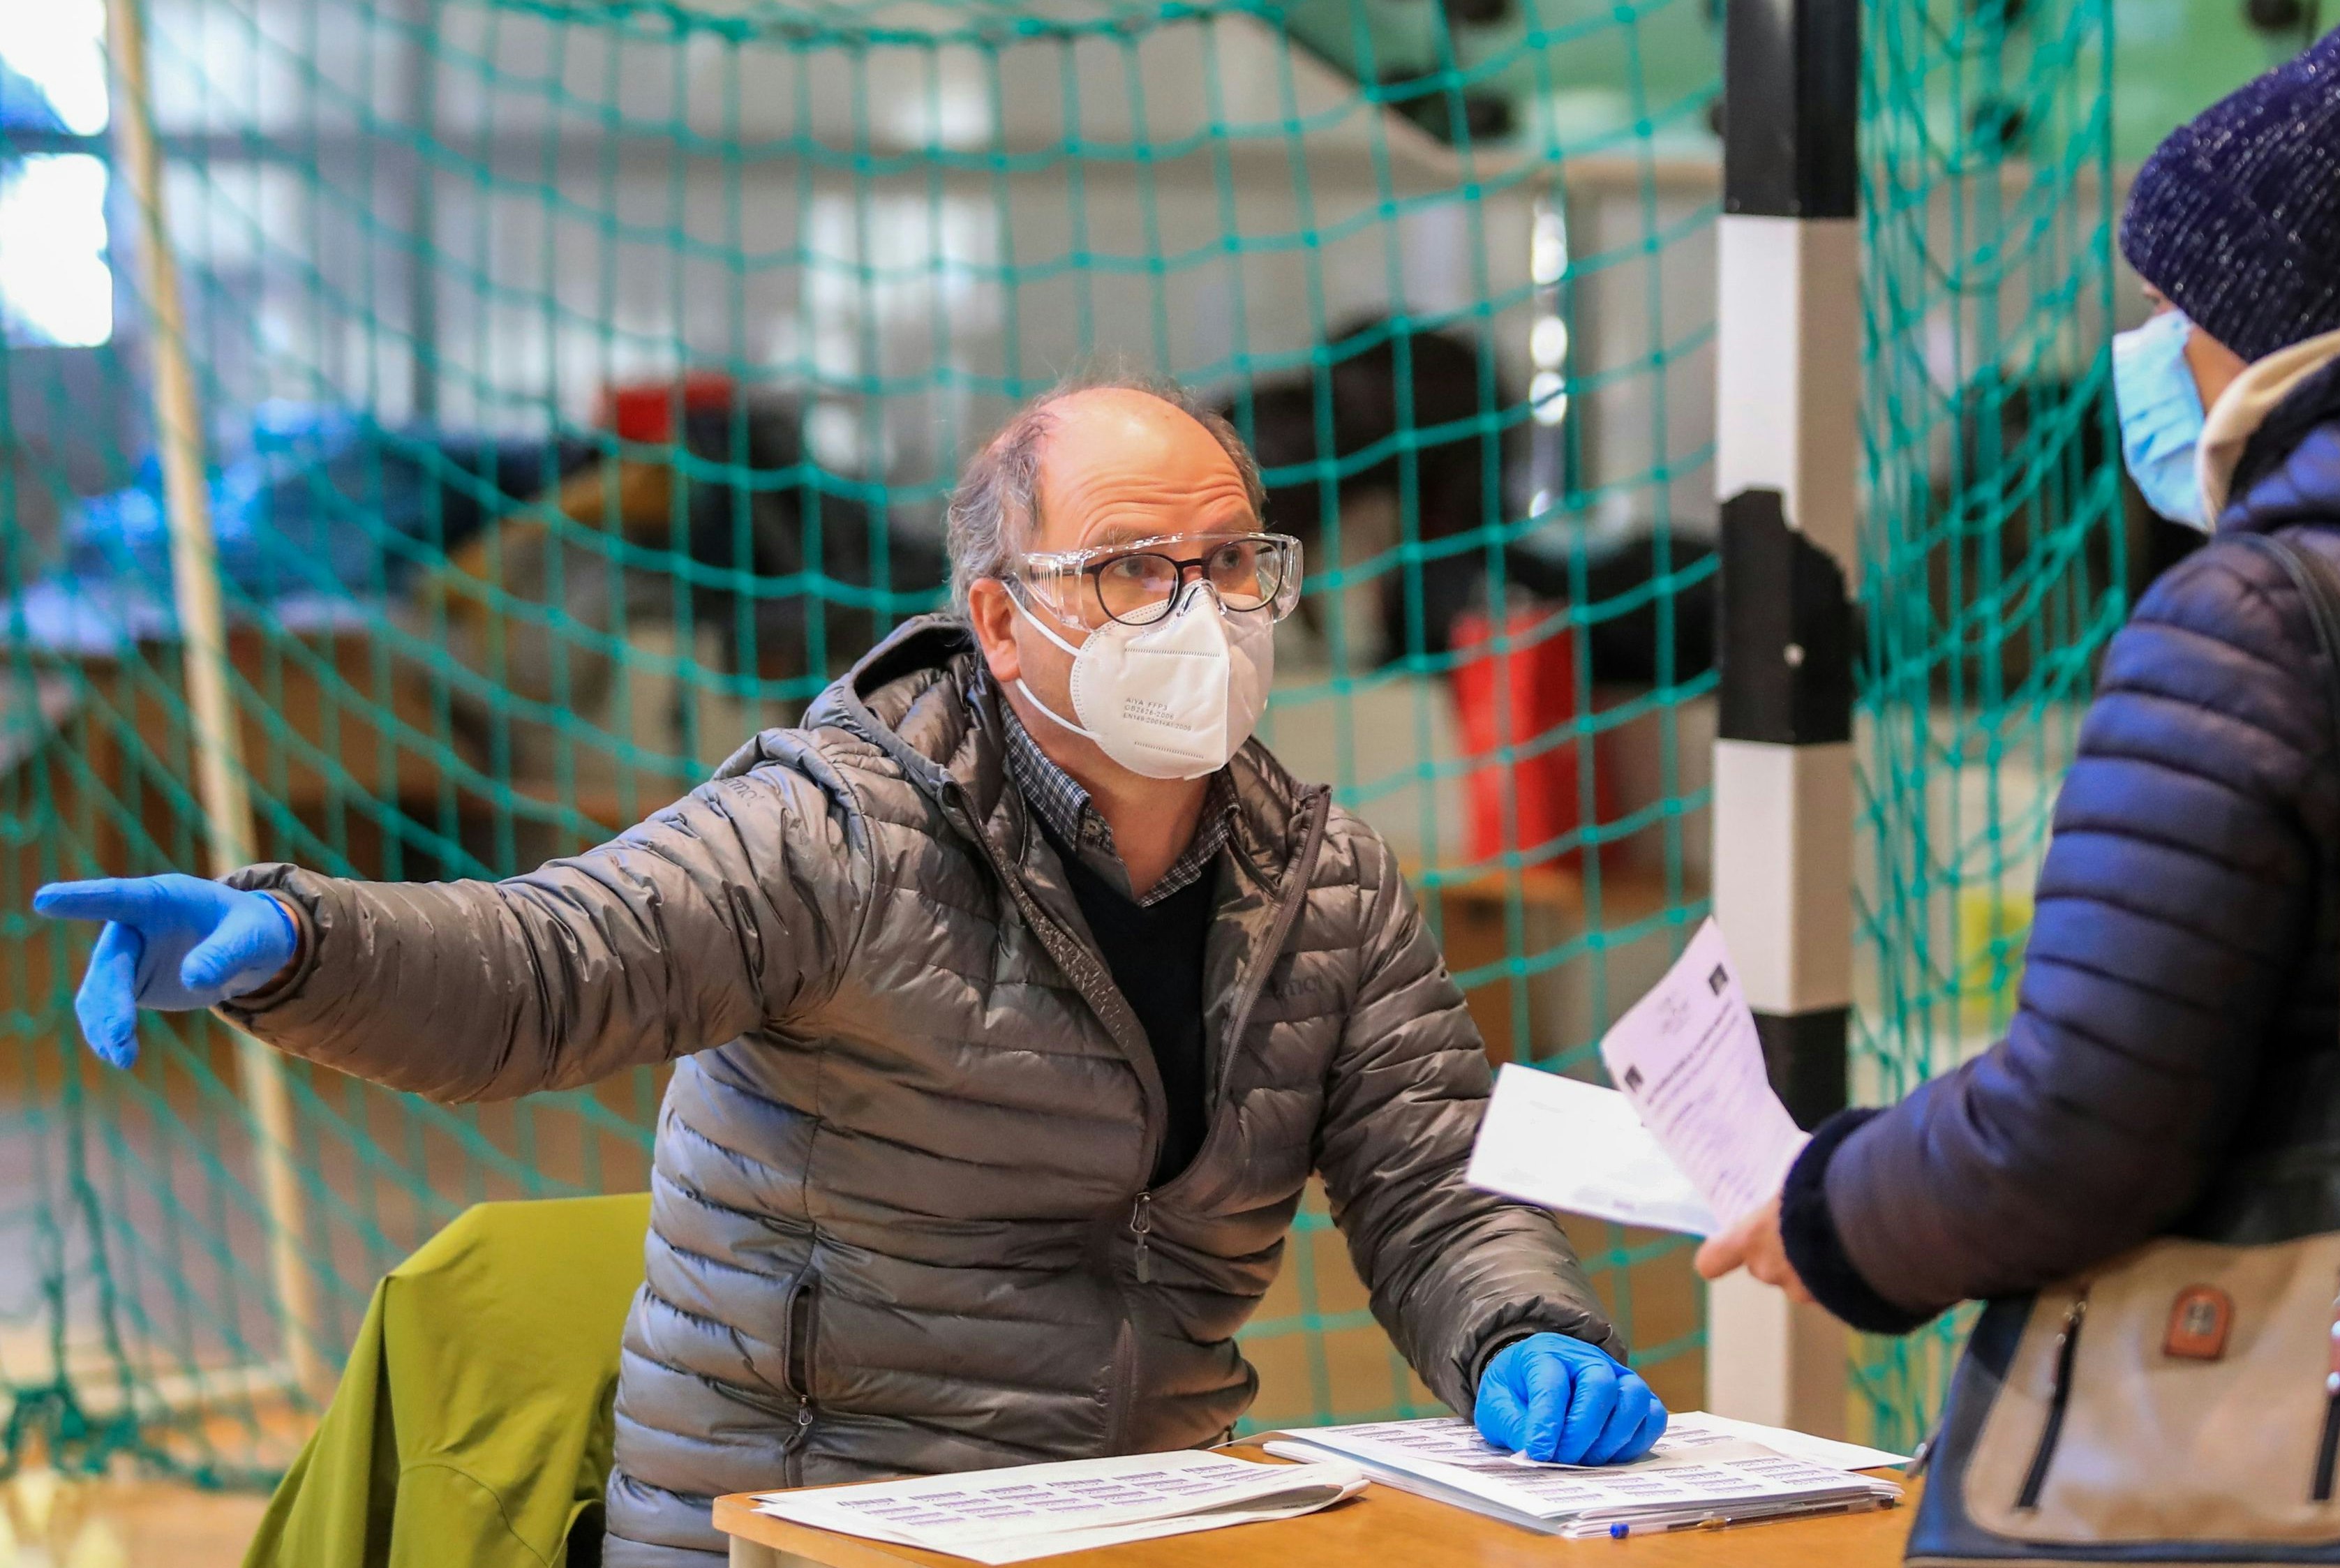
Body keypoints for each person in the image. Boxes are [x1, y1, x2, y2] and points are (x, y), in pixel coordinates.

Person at [37, 378, 1669, 1566]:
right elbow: (552, 958)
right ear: (1000, 620)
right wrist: (302, 937)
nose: (1196, 608)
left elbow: (1436, 1186)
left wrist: (1519, 1329)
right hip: (797, 1532)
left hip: (1132, 1521)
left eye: (1231, 562)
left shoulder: (1331, 887)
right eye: (1126, 568)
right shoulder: (830, 830)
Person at [1699, 4, 2340, 1567]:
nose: (2144, 347)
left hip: (2303, 1484)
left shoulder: (2253, 625)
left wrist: (1830, 1208)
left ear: (2281, 324)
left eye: (2168, 302)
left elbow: (2077, 1125)